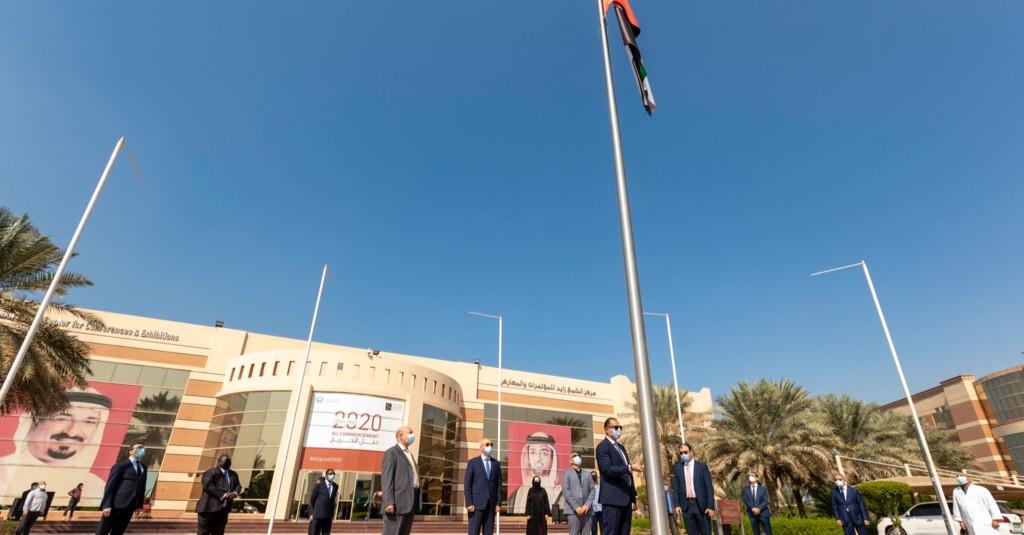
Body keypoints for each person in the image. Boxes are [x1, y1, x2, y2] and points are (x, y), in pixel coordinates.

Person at [0, 389, 111, 502]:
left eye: (89, 422)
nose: (72, 432)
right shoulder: (3, 472)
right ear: (36, 420)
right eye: (62, 418)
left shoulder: (95, 487)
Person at [595, 417, 642, 535]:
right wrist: (630, 467)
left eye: (620, 428)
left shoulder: (621, 448)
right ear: (607, 430)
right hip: (612, 500)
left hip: (626, 499)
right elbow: (608, 469)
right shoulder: (602, 447)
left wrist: (634, 494)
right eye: (616, 428)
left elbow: (628, 474)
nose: (619, 430)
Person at [96, 443, 147, 535]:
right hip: (115, 505)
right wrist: (106, 505)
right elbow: (110, 486)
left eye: (143, 448)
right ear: (130, 451)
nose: (142, 450)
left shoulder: (144, 467)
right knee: (102, 532)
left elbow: (142, 487)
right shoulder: (120, 466)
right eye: (139, 448)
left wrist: (139, 504)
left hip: (130, 506)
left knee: (119, 531)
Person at [509, 432, 561, 515]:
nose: (538, 458)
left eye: (544, 453)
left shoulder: (562, 495)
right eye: (533, 452)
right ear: (527, 457)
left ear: (552, 458)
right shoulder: (515, 496)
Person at [381, 425, 419, 535]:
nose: (413, 435)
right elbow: (387, 478)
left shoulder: (409, 454)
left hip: (410, 502)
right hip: (397, 503)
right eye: (410, 432)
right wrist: (389, 502)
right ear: (401, 436)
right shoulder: (392, 452)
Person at [672, 443, 715, 535]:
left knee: (706, 532)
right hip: (686, 507)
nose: (683, 455)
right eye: (681, 453)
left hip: (702, 507)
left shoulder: (702, 467)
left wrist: (710, 506)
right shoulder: (678, 468)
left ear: (691, 452)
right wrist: (677, 505)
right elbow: (676, 488)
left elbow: (709, 487)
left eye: (685, 452)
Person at [195, 454, 241, 535]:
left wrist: (234, 493)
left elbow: (238, 486)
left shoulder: (233, 474)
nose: (227, 462)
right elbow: (209, 486)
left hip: (223, 511)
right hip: (208, 510)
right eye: (224, 461)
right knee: (203, 533)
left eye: (228, 461)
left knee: (218, 533)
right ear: (218, 462)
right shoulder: (209, 473)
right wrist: (224, 495)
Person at [465, 438, 503, 535]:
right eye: (487, 444)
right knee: (474, 532)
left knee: (488, 532)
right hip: (476, 505)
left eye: (491, 444)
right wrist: (469, 502)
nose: (489, 447)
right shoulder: (473, 463)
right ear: (481, 448)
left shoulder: (496, 464)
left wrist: (498, 503)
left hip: (491, 505)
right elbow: (467, 484)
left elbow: (498, 484)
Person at [561, 451, 596, 535]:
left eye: (578, 456)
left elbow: (592, 490)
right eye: (575, 456)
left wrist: (587, 505)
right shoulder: (566, 473)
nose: (577, 457)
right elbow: (566, 492)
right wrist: (576, 507)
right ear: (570, 461)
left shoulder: (587, 474)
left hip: (587, 511)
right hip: (573, 511)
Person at [308, 468, 339, 535]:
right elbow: (313, 499)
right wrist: (313, 512)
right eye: (330, 474)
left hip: (328, 515)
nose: (332, 475)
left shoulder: (335, 486)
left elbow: (332, 499)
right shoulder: (319, 485)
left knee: (326, 532)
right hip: (318, 514)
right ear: (326, 475)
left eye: (333, 474)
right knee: (315, 532)